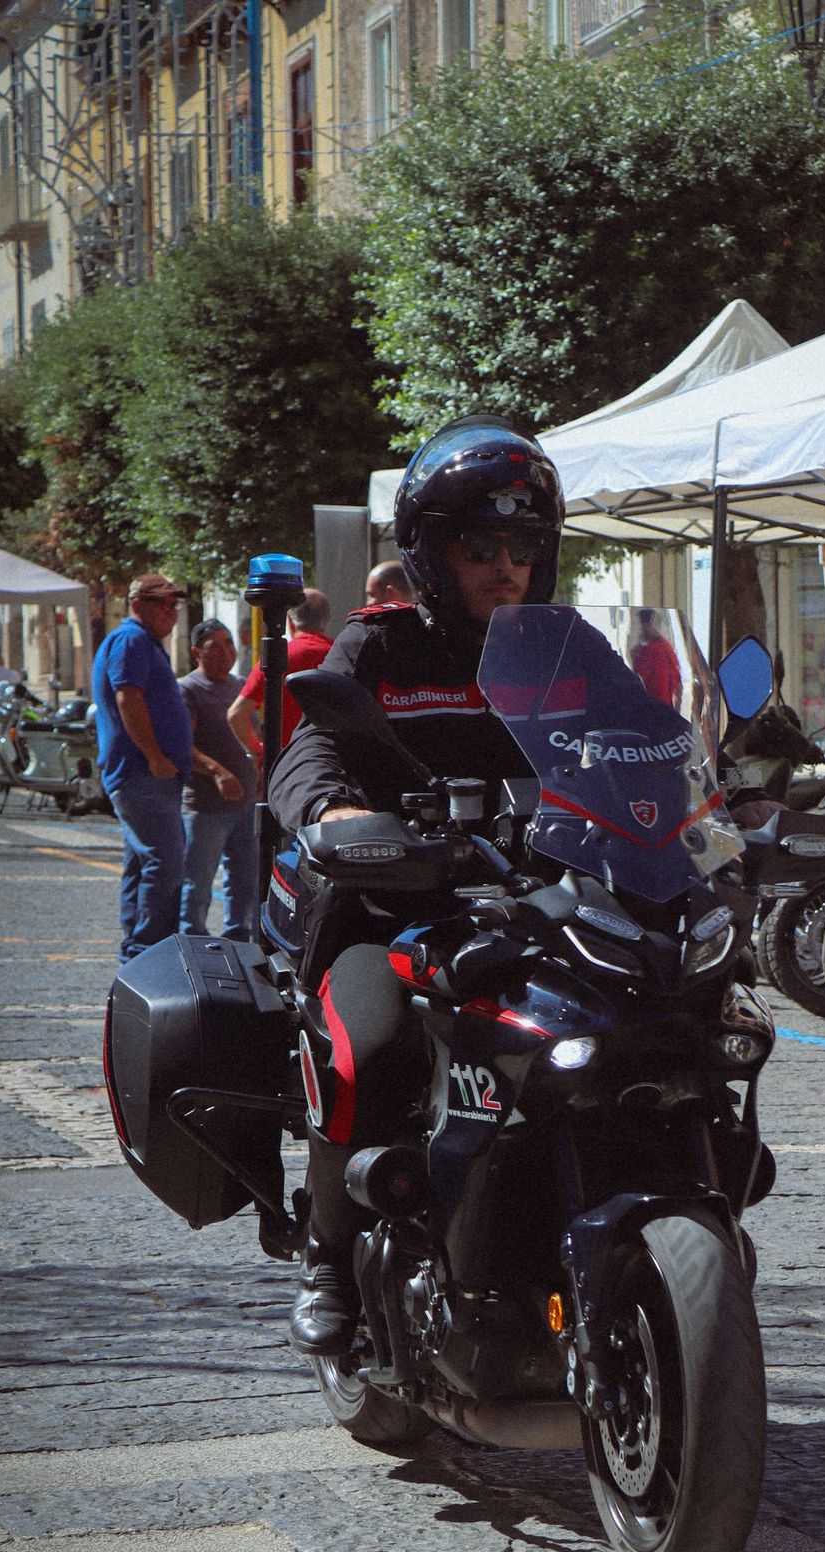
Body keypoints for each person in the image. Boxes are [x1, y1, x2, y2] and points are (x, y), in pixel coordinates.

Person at [268, 413, 563, 1354]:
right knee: (376, 1049)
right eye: (481, 545)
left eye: (522, 545)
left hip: (539, 907)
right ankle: (329, 1251)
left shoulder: (562, 652)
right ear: (434, 554)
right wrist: (333, 813)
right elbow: (308, 748)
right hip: (390, 908)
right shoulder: (382, 649)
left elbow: (636, 747)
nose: (504, 565)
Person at [92, 572, 192, 961]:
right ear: (137, 604)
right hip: (142, 772)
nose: (171, 612)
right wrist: (154, 755)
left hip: (146, 773)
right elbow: (127, 697)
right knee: (165, 861)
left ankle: (138, 952)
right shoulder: (133, 639)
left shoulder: (142, 641)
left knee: (142, 862)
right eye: (162, 603)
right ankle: (149, 951)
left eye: (174, 604)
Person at [178, 620, 258, 943]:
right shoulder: (188, 689)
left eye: (228, 643)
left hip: (247, 803)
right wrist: (217, 772)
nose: (226, 652)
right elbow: (183, 745)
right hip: (206, 806)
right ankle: (191, 940)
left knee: (245, 881)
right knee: (197, 882)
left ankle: (238, 940)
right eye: (215, 645)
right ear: (196, 652)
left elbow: (255, 735)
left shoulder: (241, 686)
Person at [227, 588, 334, 764]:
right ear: (327, 620)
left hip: (286, 764)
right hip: (331, 763)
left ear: (289, 622)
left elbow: (236, 714)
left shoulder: (279, 655)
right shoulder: (339, 655)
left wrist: (258, 752)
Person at [629, 608, 683, 710]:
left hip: (655, 707)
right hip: (667, 704)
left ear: (646, 625)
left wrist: (634, 658)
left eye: (641, 627)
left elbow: (637, 679)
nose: (640, 631)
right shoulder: (665, 645)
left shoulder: (651, 649)